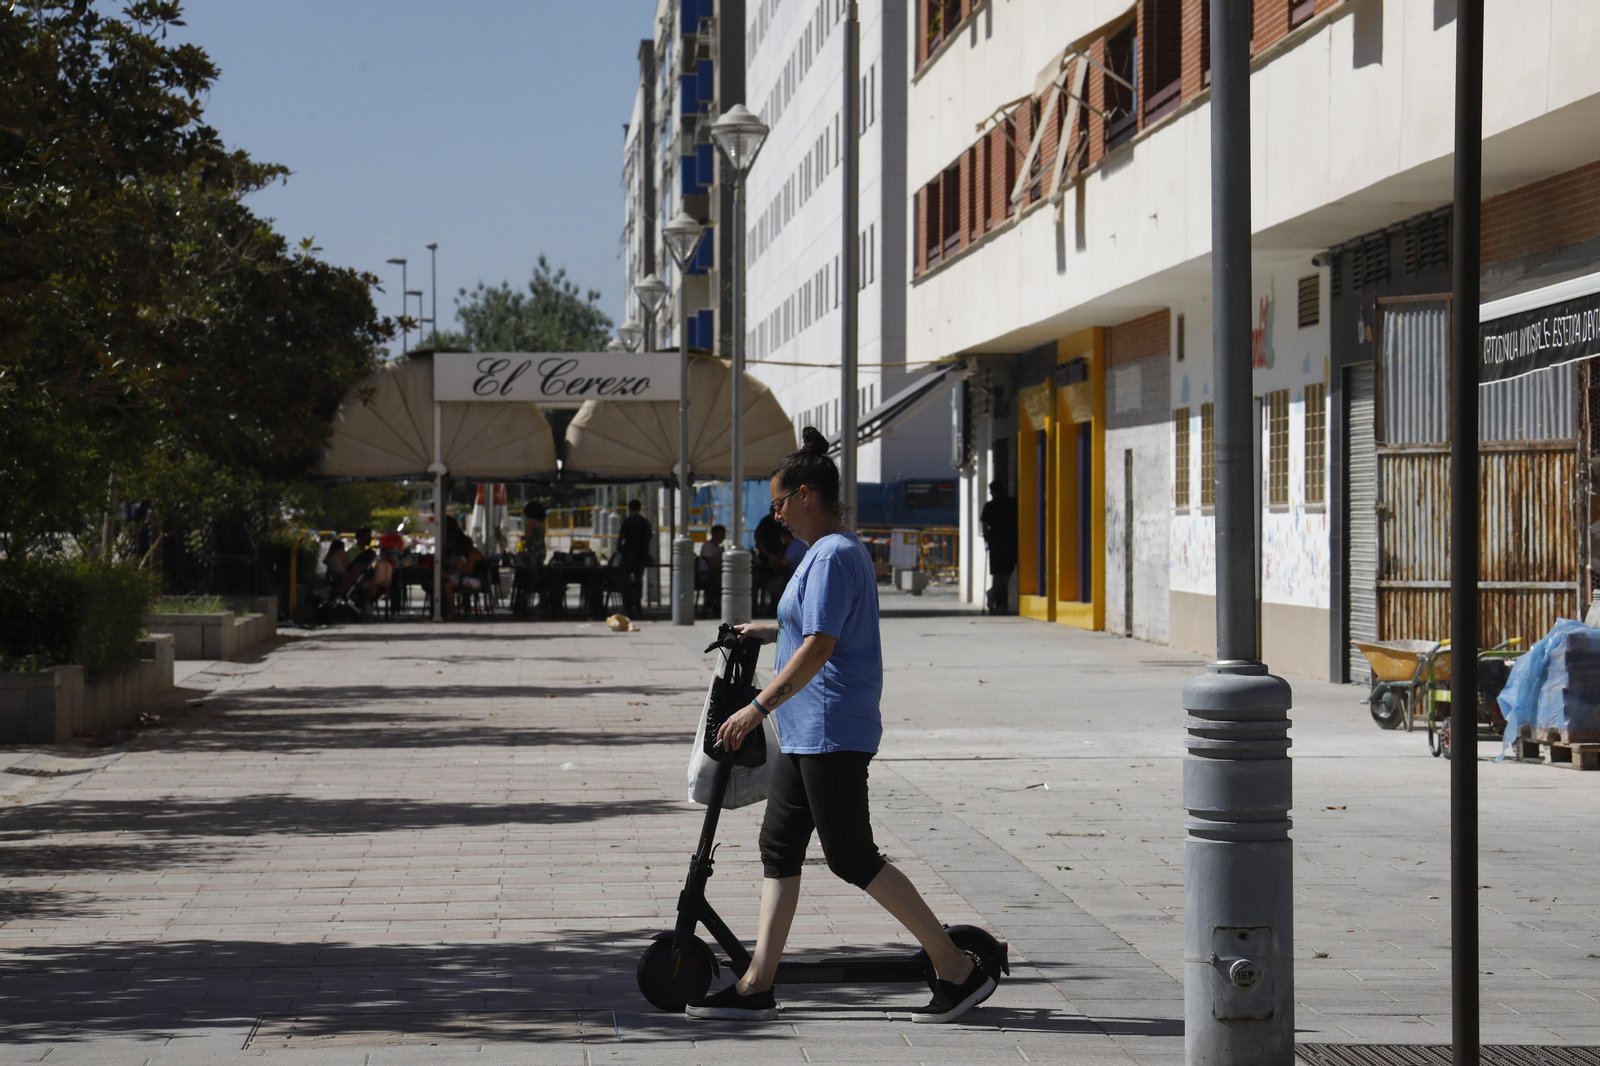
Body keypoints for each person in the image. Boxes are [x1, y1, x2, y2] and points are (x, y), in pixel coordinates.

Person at [685, 426, 997, 1025]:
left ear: (805, 494)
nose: (776, 517)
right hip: (809, 730)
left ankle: (956, 969)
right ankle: (758, 983)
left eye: (779, 504)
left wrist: (757, 708)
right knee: (778, 847)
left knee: (852, 856)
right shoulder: (826, 554)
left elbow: (822, 644)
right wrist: (762, 630)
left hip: (829, 728)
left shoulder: (832, 555)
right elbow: (810, 628)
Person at [979, 480, 1018, 615]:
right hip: (1012, 541)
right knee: (1007, 573)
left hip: (996, 542)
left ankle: (997, 599)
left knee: (997, 574)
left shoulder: (990, 506)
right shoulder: (1013, 503)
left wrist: (986, 539)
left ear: (991, 491)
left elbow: (985, 524)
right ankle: (999, 599)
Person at [617, 498, 653, 617]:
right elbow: (649, 539)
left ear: (629, 508)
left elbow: (621, 538)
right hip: (641, 556)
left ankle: (629, 603)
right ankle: (637, 603)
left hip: (629, 556)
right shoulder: (645, 522)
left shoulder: (628, 521)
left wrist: (620, 550)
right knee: (639, 579)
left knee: (624, 578)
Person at [697, 524, 726, 616]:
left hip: (715, 575)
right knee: (715, 584)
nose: (724, 537)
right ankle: (711, 607)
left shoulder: (718, 548)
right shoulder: (708, 547)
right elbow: (712, 565)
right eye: (722, 534)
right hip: (706, 575)